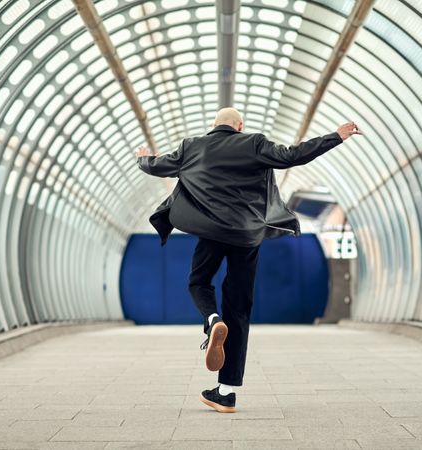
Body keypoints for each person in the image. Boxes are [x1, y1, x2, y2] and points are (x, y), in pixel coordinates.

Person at [135, 108, 361, 413]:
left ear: (213, 126)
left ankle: (212, 320)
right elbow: (293, 155)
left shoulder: (192, 146)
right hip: (246, 234)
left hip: (210, 230)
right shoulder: (254, 143)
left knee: (198, 282)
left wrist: (143, 157)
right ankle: (226, 392)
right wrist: (336, 136)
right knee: (239, 308)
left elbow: (158, 167)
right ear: (240, 127)